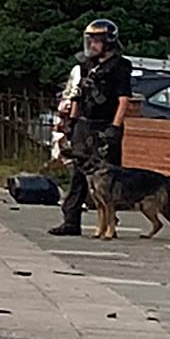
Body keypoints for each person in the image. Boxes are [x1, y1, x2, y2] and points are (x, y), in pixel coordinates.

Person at [51, 19, 134, 238]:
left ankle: (110, 222)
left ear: (107, 42)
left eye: (96, 41)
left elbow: (123, 99)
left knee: (107, 176)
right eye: (90, 40)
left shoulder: (120, 67)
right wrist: (72, 121)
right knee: (79, 173)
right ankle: (71, 220)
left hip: (104, 125)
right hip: (85, 125)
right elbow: (78, 94)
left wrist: (115, 127)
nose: (92, 45)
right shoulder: (87, 65)